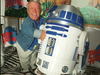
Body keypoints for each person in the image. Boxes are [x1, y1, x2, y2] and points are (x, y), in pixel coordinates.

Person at [16, 0, 46, 75]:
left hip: (34, 45)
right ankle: (25, 69)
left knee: (33, 56)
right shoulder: (27, 22)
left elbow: (47, 24)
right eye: (31, 8)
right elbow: (29, 30)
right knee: (24, 58)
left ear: (40, 11)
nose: (34, 11)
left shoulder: (43, 19)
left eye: (37, 8)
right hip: (24, 45)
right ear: (28, 11)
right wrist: (40, 34)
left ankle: (32, 66)